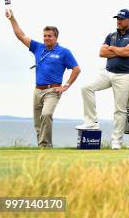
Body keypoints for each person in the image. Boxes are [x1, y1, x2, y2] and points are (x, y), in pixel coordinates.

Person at [5, 8, 81, 147]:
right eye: (45, 35)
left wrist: (66, 86)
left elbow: (76, 69)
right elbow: (20, 35)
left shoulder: (64, 52)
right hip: (37, 90)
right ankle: (43, 146)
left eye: (49, 36)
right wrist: (12, 18)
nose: (46, 38)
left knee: (46, 115)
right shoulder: (38, 48)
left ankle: (45, 145)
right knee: (38, 122)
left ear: (56, 37)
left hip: (53, 91)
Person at [75, 9, 129, 150]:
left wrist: (112, 49)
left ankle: (116, 142)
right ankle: (91, 121)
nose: (118, 21)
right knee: (86, 88)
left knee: (120, 109)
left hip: (125, 76)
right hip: (107, 72)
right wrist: (118, 50)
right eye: (117, 18)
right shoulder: (111, 35)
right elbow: (102, 52)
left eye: (122, 19)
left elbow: (128, 52)